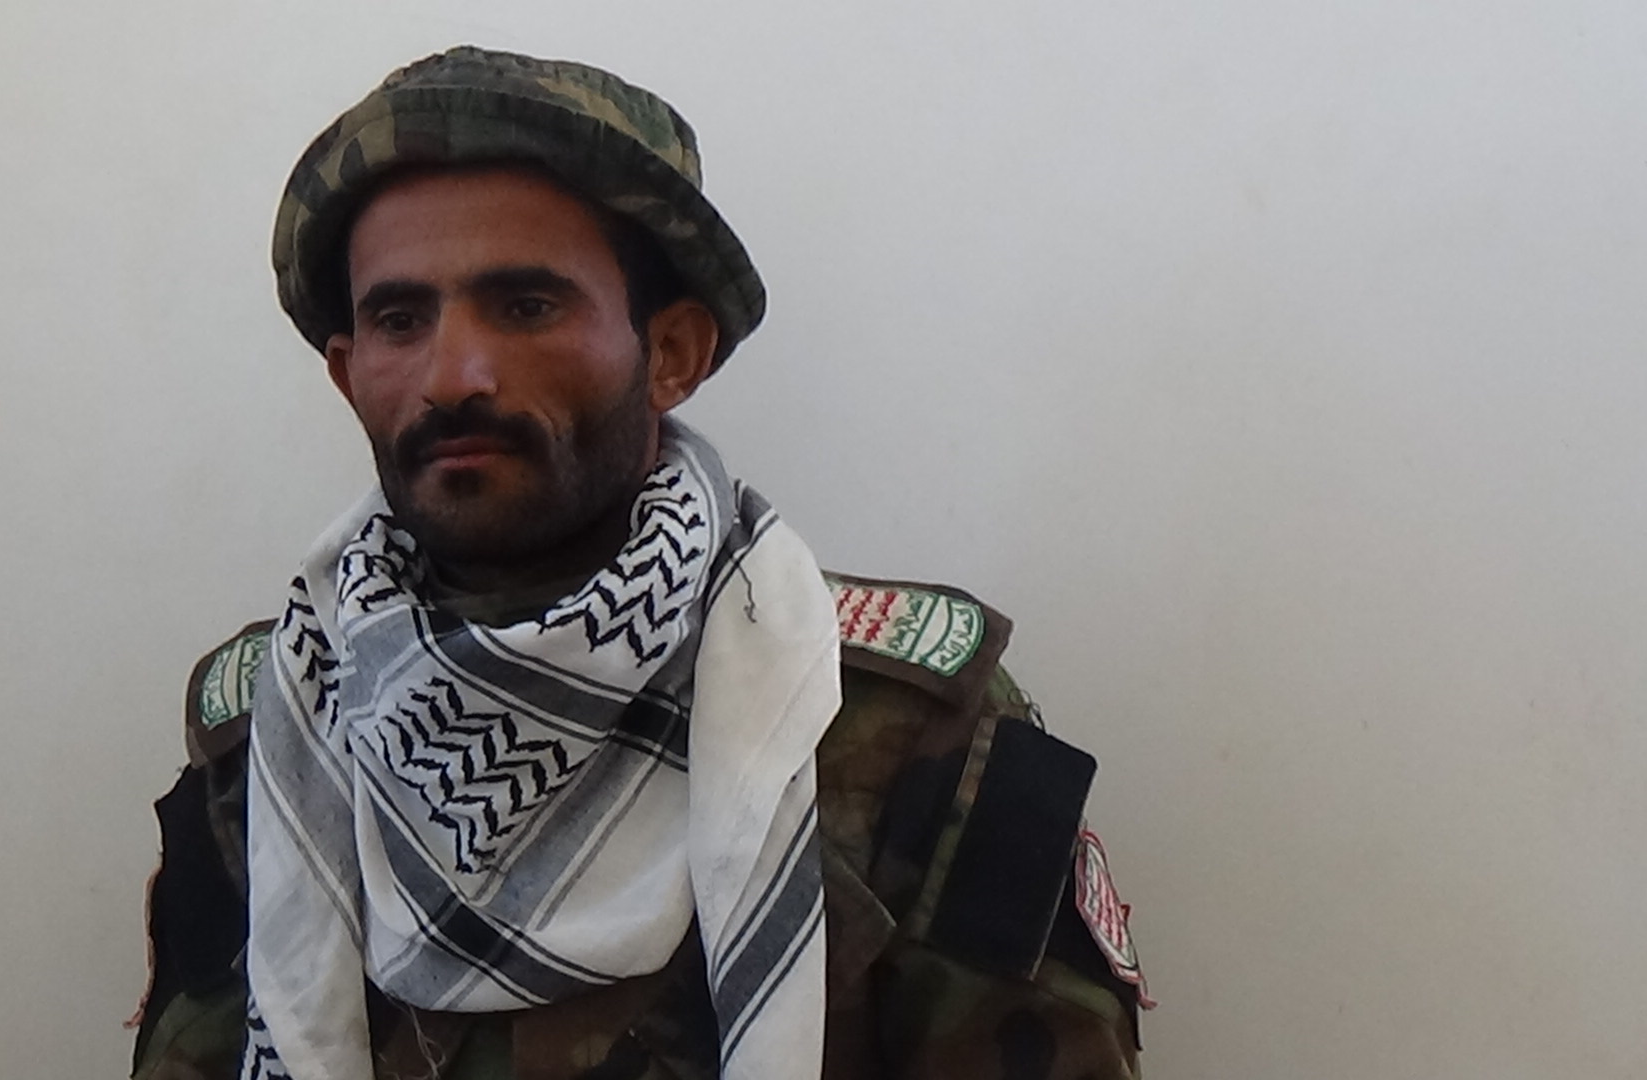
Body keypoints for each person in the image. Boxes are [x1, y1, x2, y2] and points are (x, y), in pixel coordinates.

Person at [130, 45, 1151, 1080]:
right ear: (349, 375)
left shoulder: (894, 728)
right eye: (400, 320)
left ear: (672, 354)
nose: (454, 376)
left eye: (526, 307)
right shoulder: (275, 731)